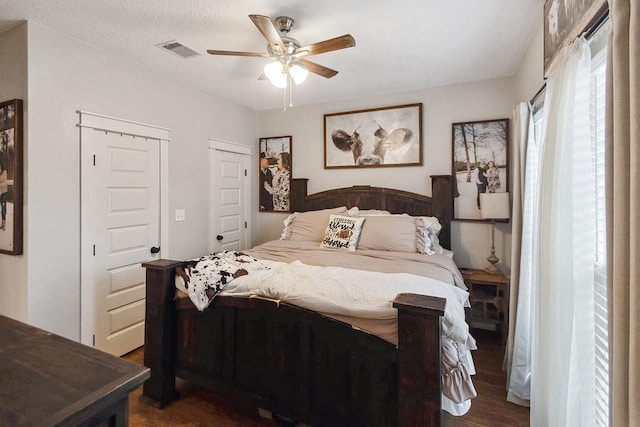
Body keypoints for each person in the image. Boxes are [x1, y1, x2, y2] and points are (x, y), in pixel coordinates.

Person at [0, 161, 7, 231]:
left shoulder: (4, 172)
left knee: (3, 208)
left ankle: (4, 223)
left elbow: (5, 183)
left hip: (4, 192)